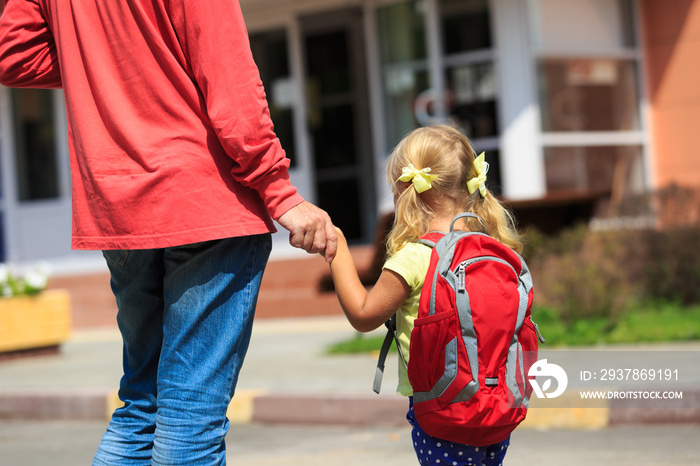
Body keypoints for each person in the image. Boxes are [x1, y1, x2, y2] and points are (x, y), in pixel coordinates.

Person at [0, 0, 336, 464]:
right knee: (188, 415)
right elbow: (230, 80)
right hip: (202, 201)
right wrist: (280, 193)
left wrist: (100, 58)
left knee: (142, 406)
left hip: (118, 206)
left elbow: (13, 54)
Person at [327, 125, 522, 466]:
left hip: (443, 413)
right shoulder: (492, 250)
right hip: (497, 408)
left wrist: (338, 248)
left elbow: (362, 314)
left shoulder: (416, 256)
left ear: (406, 190)